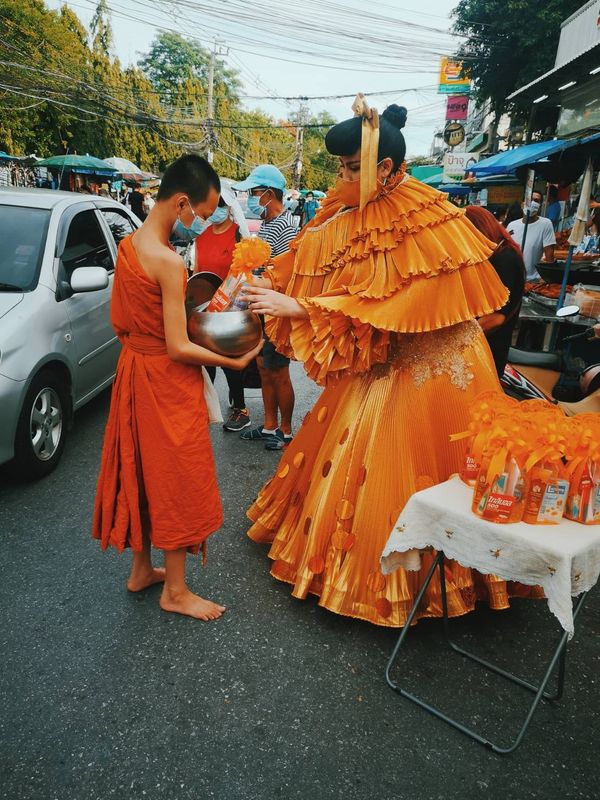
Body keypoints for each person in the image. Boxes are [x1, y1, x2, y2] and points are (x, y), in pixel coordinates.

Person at [241, 98, 539, 627]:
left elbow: (390, 307)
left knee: (431, 470)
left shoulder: (426, 214)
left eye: (352, 167)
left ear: (384, 168)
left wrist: (303, 307)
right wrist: (269, 285)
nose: (342, 177)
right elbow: (316, 265)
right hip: (382, 363)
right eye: (340, 167)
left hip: (435, 368)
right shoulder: (343, 211)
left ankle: (441, 577)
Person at [92, 154, 262, 621]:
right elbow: (179, 347)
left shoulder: (128, 246)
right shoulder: (167, 261)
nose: (204, 224)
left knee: (143, 469)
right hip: (165, 382)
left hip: (132, 373)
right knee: (178, 476)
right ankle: (177, 591)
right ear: (182, 202)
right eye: (202, 215)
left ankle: (142, 569)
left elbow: (132, 325)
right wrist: (236, 358)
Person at [232, 165, 298, 451]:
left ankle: (285, 430)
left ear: (269, 194)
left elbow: (288, 276)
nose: (250, 197)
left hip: (276, 311)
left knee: (279, 372)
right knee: (263, 367)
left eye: (254, 192)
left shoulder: (287, 228)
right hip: (260, 308)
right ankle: (269, 424)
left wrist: (259, 282)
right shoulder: (269, 225)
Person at [193, 190, 252, 432]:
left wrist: (229, 302)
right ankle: (204, 406)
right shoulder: (202, 236)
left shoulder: (238, 235)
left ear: (229, 207)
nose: (215, 211)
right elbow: (197, 272)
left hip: (230, 308)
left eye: (220, 205)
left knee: (229, 360)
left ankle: (241, 409)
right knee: (205, 361)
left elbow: (244, 274)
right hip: (205, 309)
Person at [465, 205, 525, 378]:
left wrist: (457, 344)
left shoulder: (504, 259)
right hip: (482, 351)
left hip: (489, 353)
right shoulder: (495, 256)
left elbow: (496, 317)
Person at [506, 189, 555, 280]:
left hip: (533, 280)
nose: (532, 203)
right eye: (530, 199)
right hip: (512, 278)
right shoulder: (512, 225)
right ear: (522, 204)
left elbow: (549, 255)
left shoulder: (545, 224)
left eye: (536, 201)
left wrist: (548, 279)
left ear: (540, 206)